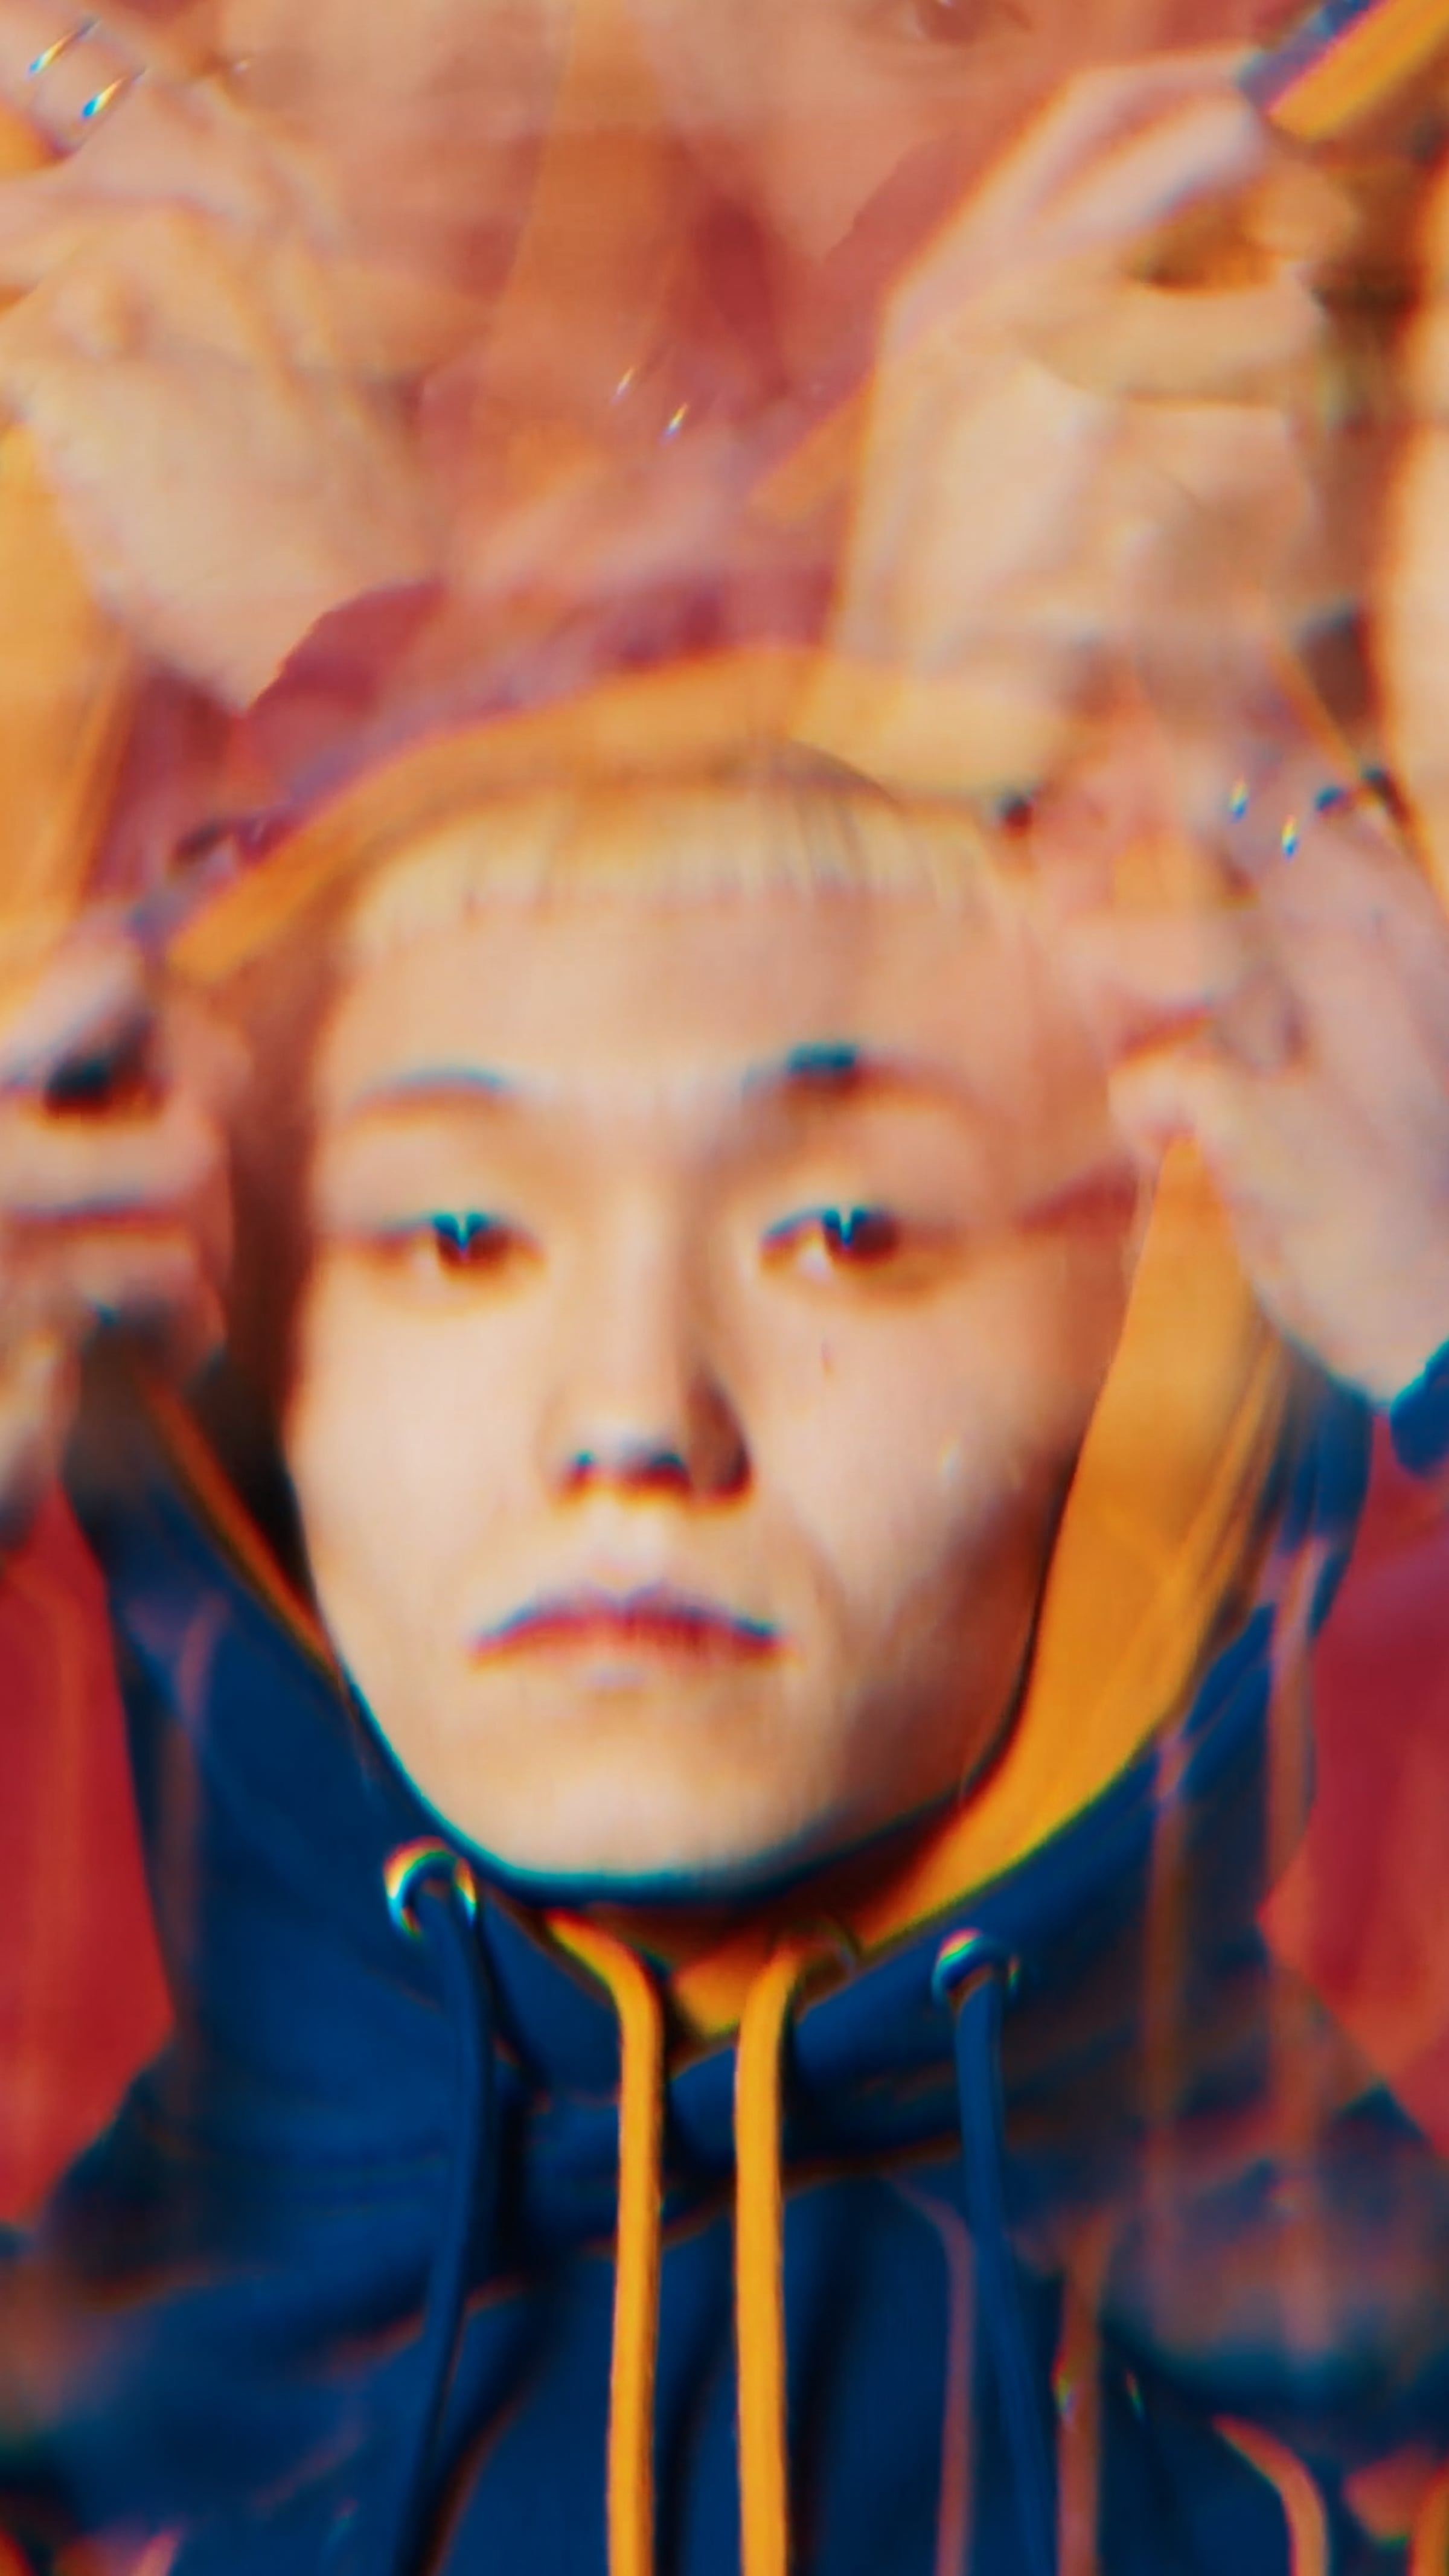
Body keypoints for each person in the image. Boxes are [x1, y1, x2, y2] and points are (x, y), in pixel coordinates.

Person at [0, 618, 1447, 2572]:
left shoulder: (1351, 2392)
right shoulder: (83, 2435)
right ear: (229, 1377)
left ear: (1145, 1354)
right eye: (459, 1233)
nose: (634, 1417)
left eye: (844, 1229)